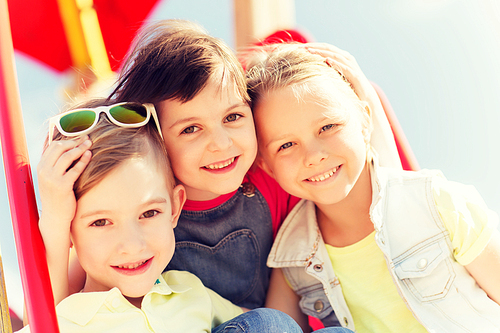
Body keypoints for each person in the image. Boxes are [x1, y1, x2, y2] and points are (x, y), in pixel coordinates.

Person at [106, 20, 400, 314]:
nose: (221, 144)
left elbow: (392, 201)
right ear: (155, 137)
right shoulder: (142, 206)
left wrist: (367, 99)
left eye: (232, 117)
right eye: (191, 129)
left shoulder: (274, 174)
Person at [245, 43, 500, 332]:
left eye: (327, 127)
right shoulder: (292, 259)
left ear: (366, 122)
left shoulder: (439, 203)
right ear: (266, 165)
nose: (314, 155)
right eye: (286, 145)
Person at [25, 98, 305, 332]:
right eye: (101, 222)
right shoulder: (63, 320)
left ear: (175, 207)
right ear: (68, 229)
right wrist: (53, 219)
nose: (133, 245)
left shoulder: (189, 291)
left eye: (149, 213)